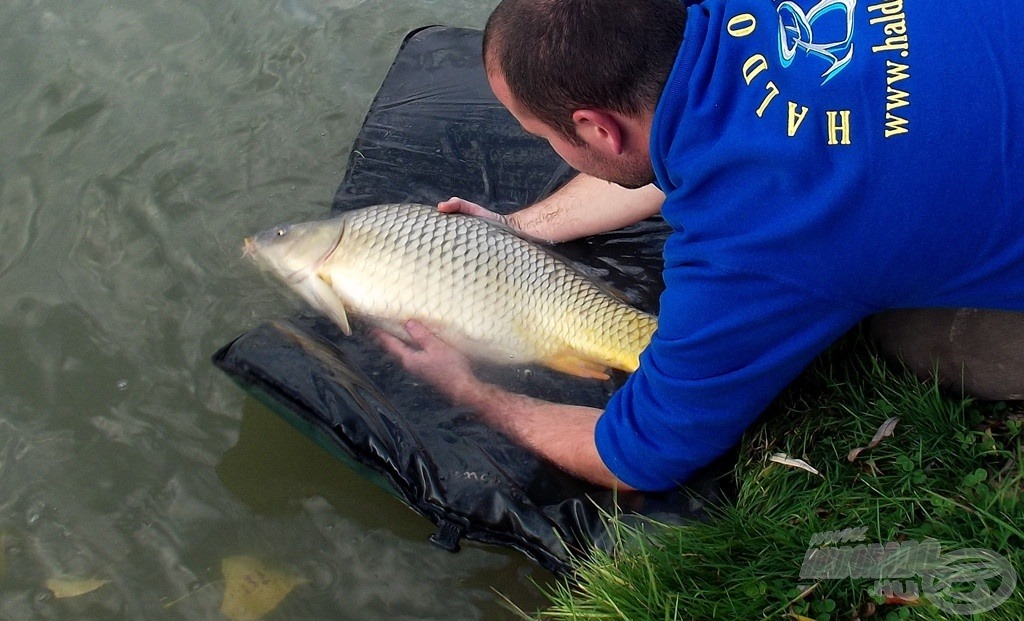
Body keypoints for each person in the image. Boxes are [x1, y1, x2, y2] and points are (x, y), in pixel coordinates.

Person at [378, 0, 1024, 491]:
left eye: (540, 133)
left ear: (595, 128)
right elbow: (693, 134)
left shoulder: (757, 247)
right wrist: (519, 228)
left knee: (916, 338)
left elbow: (638, 456)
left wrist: (472, 393)